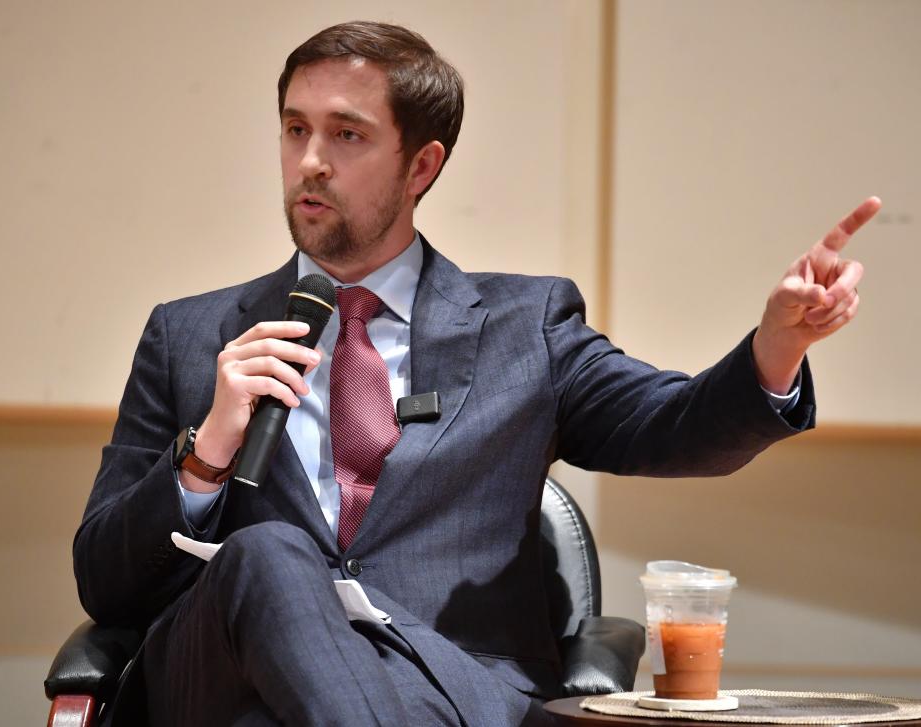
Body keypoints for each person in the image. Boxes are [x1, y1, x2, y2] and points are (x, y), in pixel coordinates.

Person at [73, 20, 879, 727]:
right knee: (269, 553)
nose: (309, 162)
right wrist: (206, 451)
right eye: (293, 130)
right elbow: (105, 584)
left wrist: (776, 346)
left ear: (421, 166)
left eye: (345, 135)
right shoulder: (190, 335)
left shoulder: (523, 329)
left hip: (449, 688)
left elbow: (675, 426)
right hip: (220, 679)